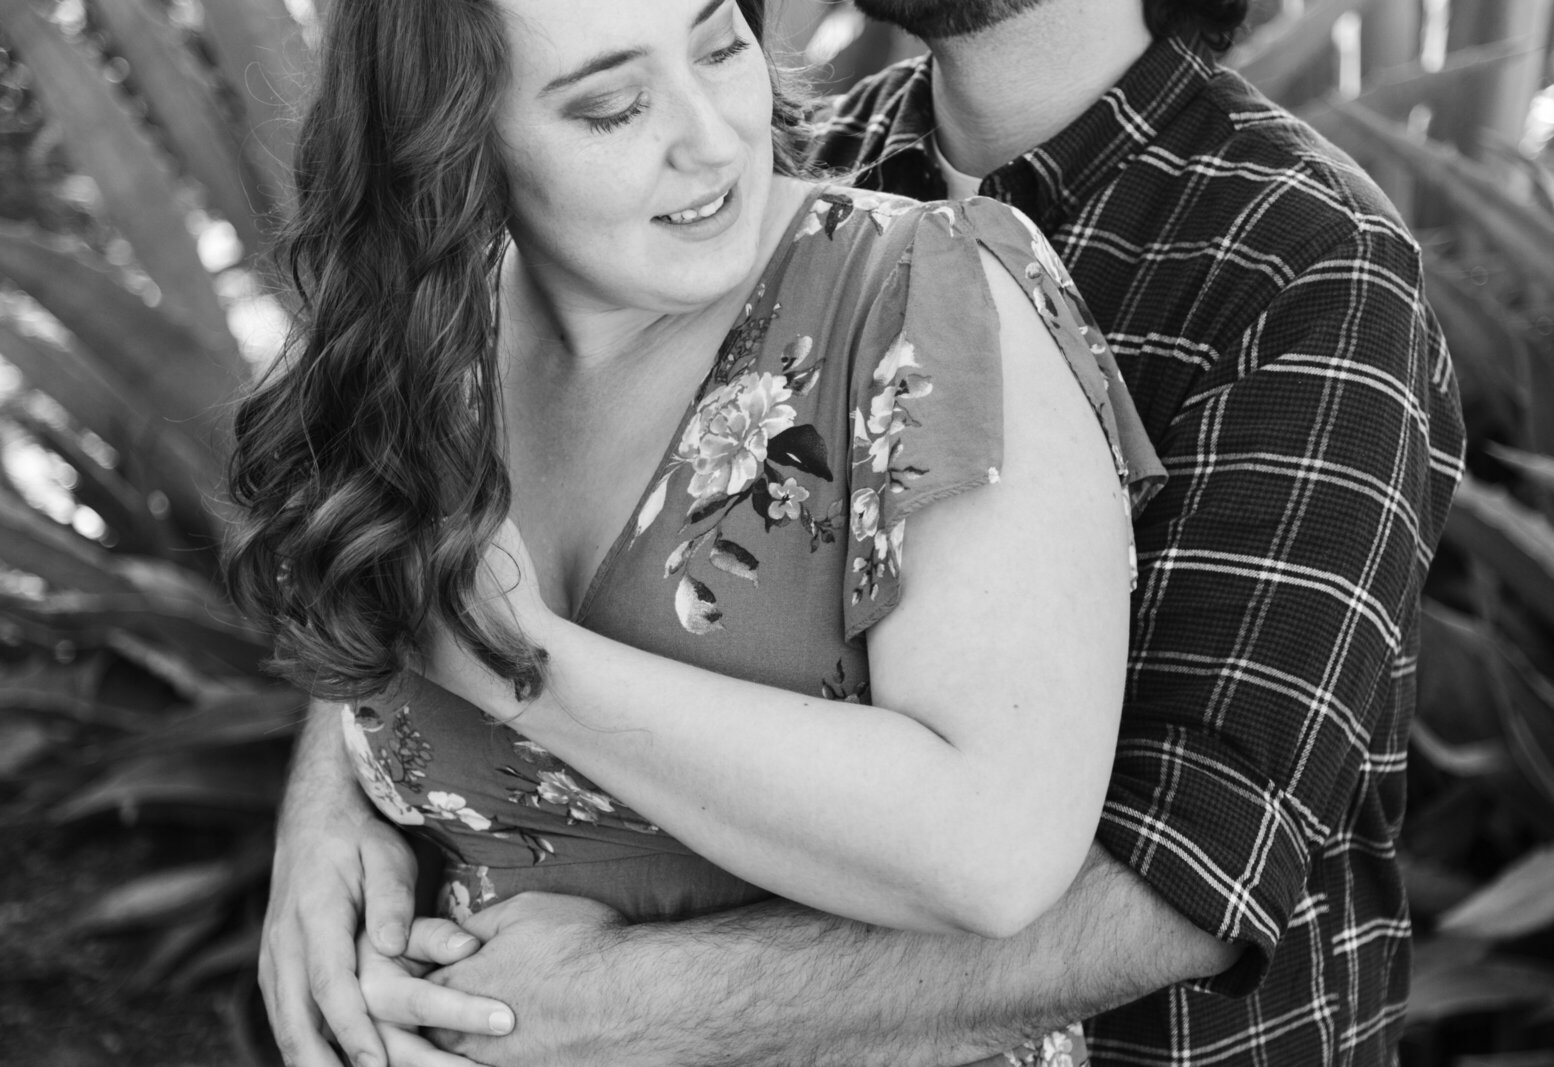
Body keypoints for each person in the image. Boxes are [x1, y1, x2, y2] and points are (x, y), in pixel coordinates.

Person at [256, 1, 1467, 1066]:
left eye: (712, 49)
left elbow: (1184, 872)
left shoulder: (1309, 266)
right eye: (618, 105)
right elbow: (422, 551)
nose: (699, 129)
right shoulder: (771, 169)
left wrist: (617, 1001)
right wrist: (334, 797)